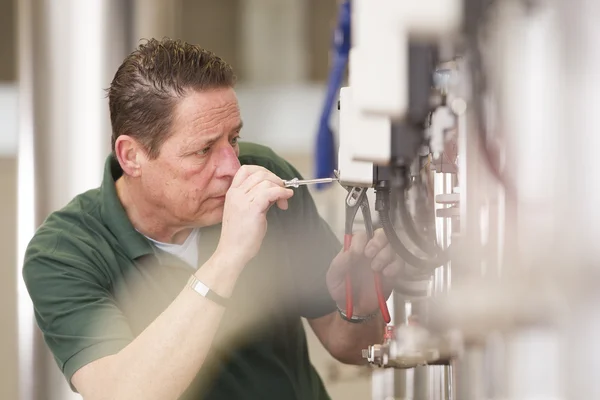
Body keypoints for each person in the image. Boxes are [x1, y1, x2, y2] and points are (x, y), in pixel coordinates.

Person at [22, 38, 404, 400]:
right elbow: (125, 393)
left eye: (233, 139)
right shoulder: (64, 251)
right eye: (204, 150)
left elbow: (349, 346)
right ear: (132, 157)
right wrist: (229, 257)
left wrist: (359, 305)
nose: (232, 166)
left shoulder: (264, 176)